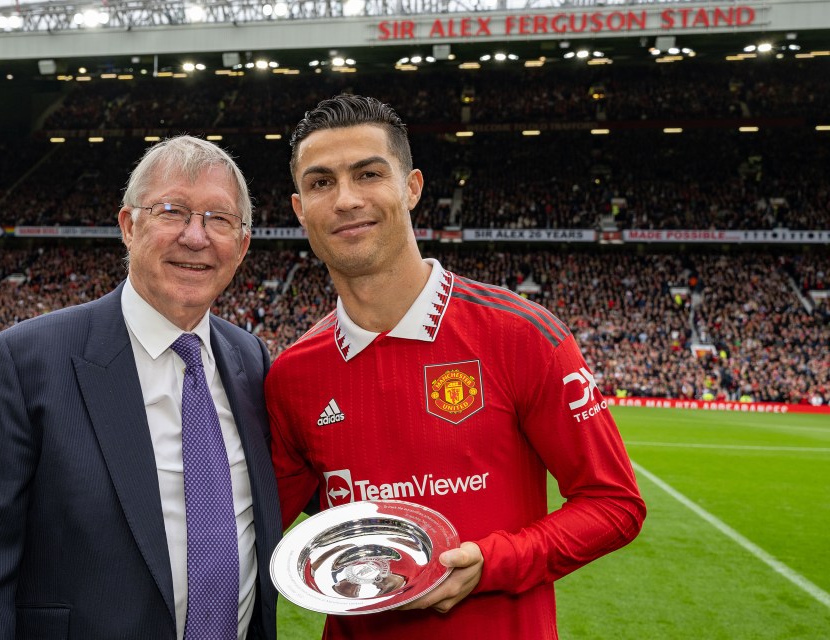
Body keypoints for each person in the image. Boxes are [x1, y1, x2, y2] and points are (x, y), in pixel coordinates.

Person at [267, 95, 646, 639]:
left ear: (412, 188)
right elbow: (252, 534)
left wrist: (494, 563)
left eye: (368, 174)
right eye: (321, 182)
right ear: (300, 208)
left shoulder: (521, 335)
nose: (346, 199)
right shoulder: (293, 376)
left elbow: (615, 504)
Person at [0, 136, 281, 639]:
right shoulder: (23, 361)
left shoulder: (251, 360)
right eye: (172, 210)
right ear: (128, 226)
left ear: (243, 245)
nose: (195, 236)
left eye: (219, 219)